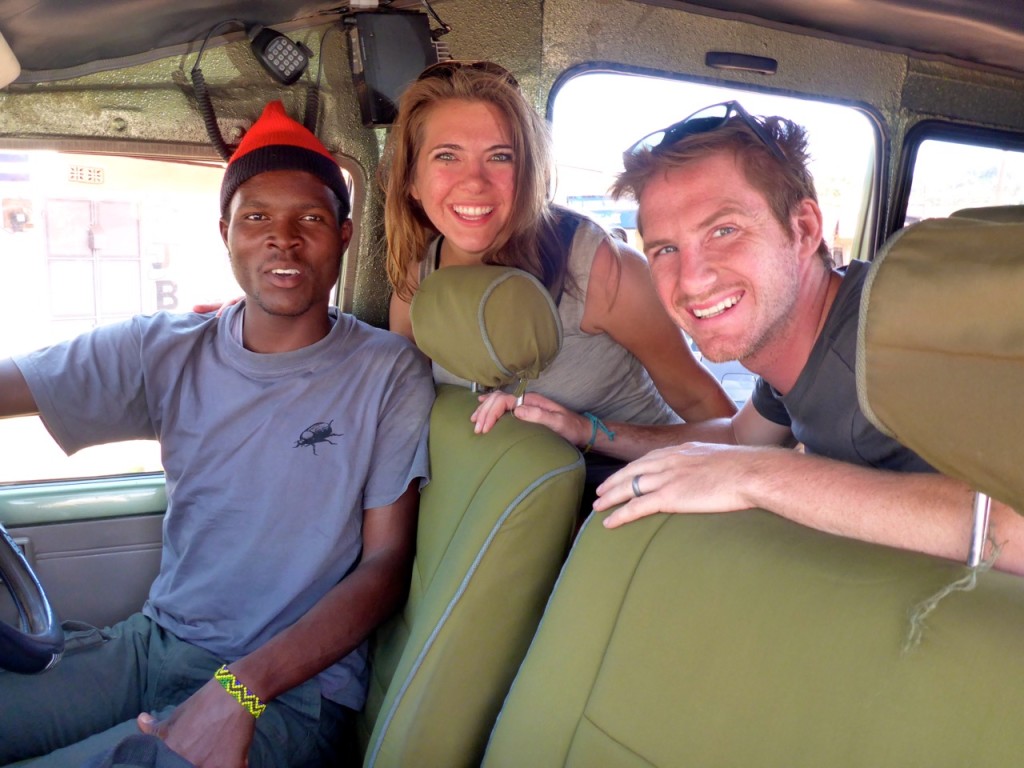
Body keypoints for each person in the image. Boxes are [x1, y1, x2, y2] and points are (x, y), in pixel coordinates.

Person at [0, 101, 435, 766]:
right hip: (155, 644)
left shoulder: (385, 372)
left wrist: (242, 687)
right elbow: (16, 384)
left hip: (292, 691)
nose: (282, 239)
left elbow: (384, 569)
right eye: (256, 217)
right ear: (225, 232)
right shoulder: (166, 347)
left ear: (345, 235)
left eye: (310, 219)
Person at [511, 100, 1024, 574]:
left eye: (724, 231)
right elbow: (736, 438)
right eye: (665, 249)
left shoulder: (900, 334)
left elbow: (1014, 527)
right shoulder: (791, 353)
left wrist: (759, 476)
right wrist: (589, 431)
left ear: (803, 229)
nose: (691, 279)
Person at [379, 61, 735, 462]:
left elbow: (715, 416)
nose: (474, 181)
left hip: (641, 483)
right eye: (447, 156)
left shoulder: (599, 269)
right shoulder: (417, 285)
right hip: (514, 499)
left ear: (529, 172)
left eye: (500, 157)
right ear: (412, 181)